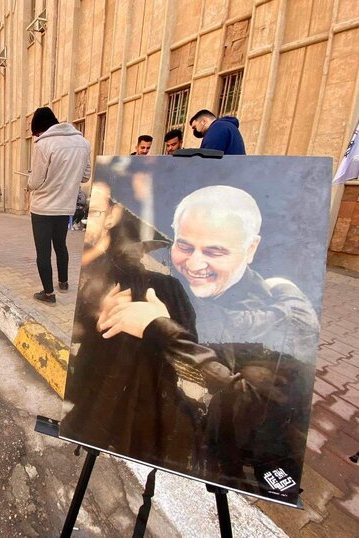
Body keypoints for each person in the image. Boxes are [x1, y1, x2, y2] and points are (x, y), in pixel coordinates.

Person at [98, 185, 317, 498]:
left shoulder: (282, 315)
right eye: (185, 246)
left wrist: (158, 328)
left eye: (215, 251)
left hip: (244, 465)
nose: (195, 264)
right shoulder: (180, 291)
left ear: (251, 248)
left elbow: (245, 395)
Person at [61, 182, 203, 473]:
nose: (135, 252)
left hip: (123, 408)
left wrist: (155, 325)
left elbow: (189, 357)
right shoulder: (107, 279)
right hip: (115, 405)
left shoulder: (165, 287)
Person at [27, 106, 91, 304]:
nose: (37, 136)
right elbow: (86, 175)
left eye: (36, 133)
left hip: (42, 208)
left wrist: (28, 182)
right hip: (65, 207)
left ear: (40, 129)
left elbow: (35, 181)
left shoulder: (43, 145)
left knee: (43, 252)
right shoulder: (83, 143)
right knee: (61, 246)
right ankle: (63, 283)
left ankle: (48, 294)